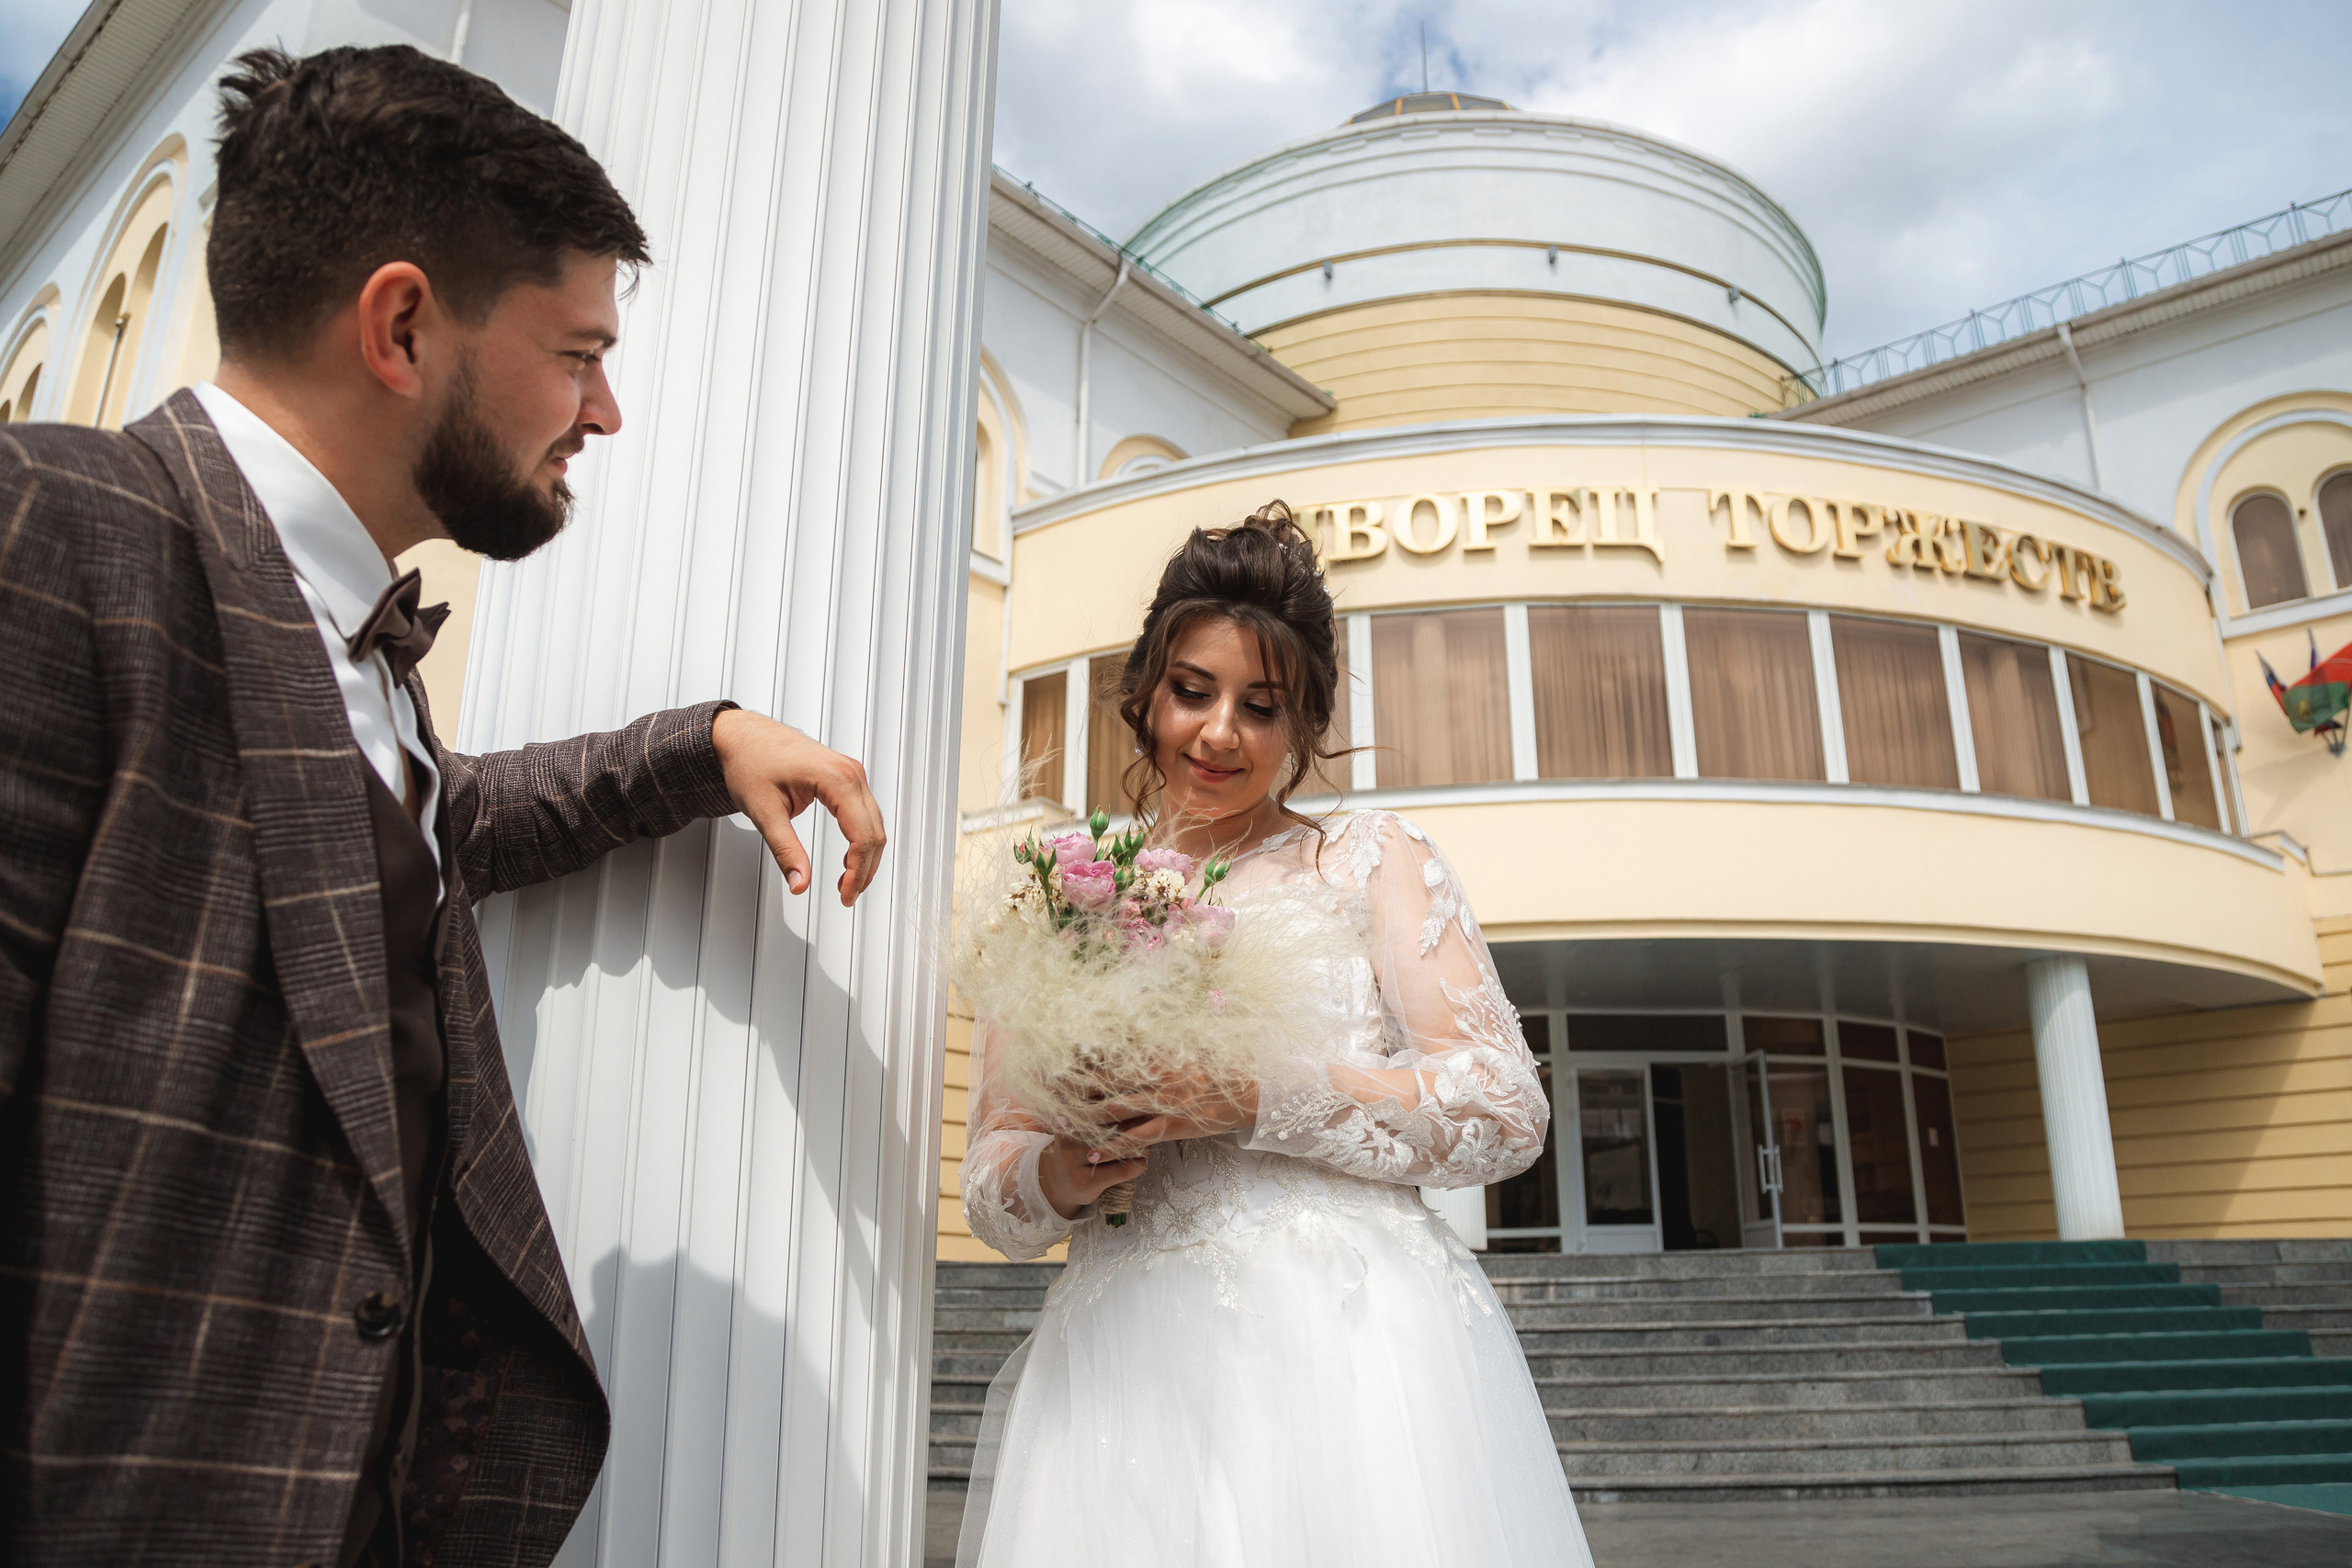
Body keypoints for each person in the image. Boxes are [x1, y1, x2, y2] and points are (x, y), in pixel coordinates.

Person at [0, 46, 885, 1568]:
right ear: (403, 326)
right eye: (578, 352)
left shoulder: (359, 661)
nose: (602, 411)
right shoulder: (54, 528)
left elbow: (424, 824)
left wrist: (704, 742)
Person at [955, 504, 1592, 1566]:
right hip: (1127, 1371)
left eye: (1261, 707)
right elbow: (993, 1191)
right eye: (1193, 693)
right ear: (1146, 692)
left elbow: (1500, 1108)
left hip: (1351, 1356)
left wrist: (1261, 1095)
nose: (1218, 734)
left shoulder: (1371, 861)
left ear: (1302, 727)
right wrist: (1068, 1167)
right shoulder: (1064, 897)